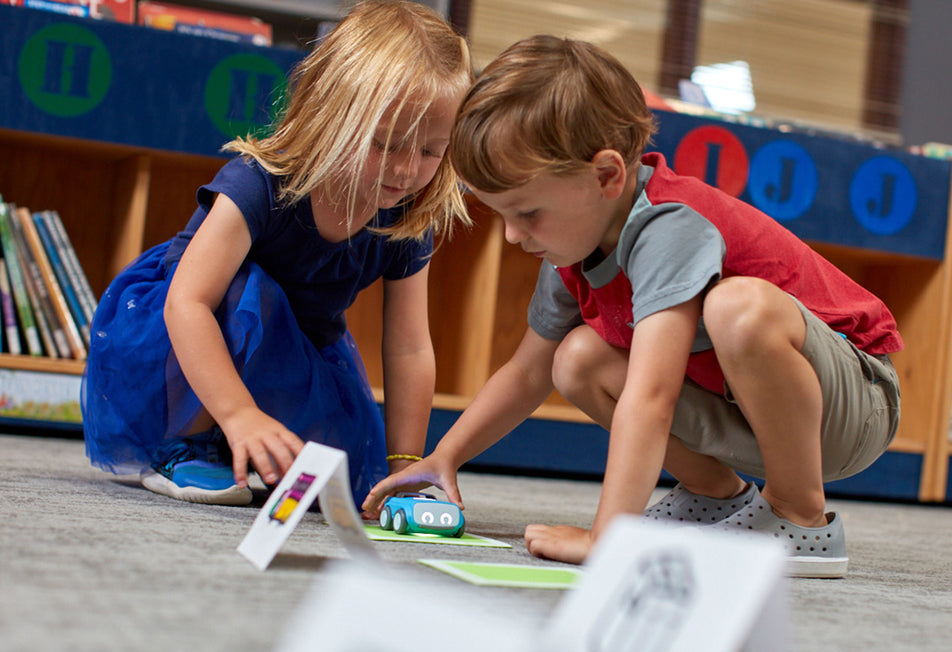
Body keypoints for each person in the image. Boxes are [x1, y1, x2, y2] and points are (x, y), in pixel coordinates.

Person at [362, 35, 902, 577]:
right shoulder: (572, 244)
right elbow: (527, 372)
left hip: (853, 402)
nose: (510, 236)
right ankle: (715, 496)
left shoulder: (670, 226)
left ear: (606, 175)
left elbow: (652, 396)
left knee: (739, 309)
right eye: (501, 214)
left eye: (527, 213)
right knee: (574, 358)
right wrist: (442, 460)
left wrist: (607, 538)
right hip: (748, 414)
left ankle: (800, 518)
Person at [81, 0, 472, 506]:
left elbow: (409, 348)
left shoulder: (407, 219)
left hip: (294, 356)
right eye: (385, 143)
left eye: (429, 151)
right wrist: (238, 412)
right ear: (331, 113)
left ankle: (237, 442)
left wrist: (405, 464)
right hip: (177, 340)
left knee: (331, 479)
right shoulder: (259, 185)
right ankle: (187, 443)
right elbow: (188, 303)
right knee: (250, 296)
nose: (405, 170)